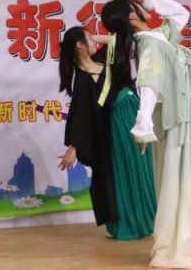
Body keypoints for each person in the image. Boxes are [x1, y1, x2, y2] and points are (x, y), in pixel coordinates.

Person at [101, 0, 191, 269]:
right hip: (178, 121)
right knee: (184, 182)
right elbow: (149, 84)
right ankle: (181, 251)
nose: (143, 7)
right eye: (136, 5)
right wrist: (143, 123)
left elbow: (181, 14)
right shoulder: (150, 44)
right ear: (131, 15)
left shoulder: (159, 36)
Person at [58, 26, 155, 240]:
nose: (94, 40)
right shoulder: (82, 79)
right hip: (117, 128)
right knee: (124, 172)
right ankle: (129, 224)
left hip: (134, 116)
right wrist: (73, 148)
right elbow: (80, 115)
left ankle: (149, 219)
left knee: (142, 167)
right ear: (79, 45)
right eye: (89, 38)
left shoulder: (102, 59)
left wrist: (93, 37)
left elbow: (119, 41)